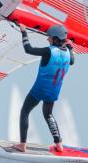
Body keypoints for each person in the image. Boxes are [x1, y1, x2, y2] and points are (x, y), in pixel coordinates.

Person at [10, 21, 74, 153]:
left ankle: (22, 145)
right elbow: (72, 61)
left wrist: (24, 32)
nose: (47, 38)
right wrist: (71, 48)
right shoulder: (68, 54)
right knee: (48, 114)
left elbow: (28, 49)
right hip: (54, 91)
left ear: (55, 39)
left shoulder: (49, 52)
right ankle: (58, 143)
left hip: (39, 89)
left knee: (25, 112)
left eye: (49, 37)